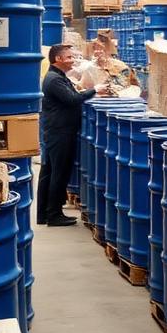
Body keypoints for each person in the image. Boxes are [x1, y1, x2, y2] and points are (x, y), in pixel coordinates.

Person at [37, 43, 109, 226]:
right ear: (58, 59)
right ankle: (53, 215)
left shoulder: (58, 76)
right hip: (60, 132)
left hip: (56, 130)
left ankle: (43, 214)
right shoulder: (54, 79)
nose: (72, 60)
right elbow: (72, 99)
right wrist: (95, 90)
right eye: (69, 57)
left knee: (49, 172)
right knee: (58, 174)